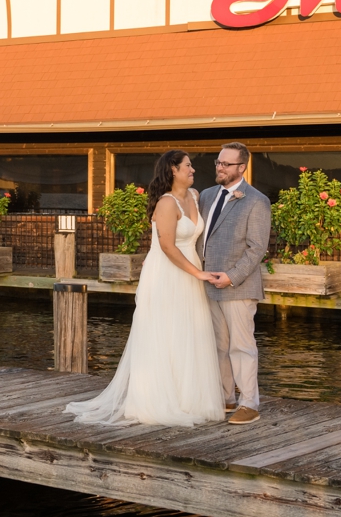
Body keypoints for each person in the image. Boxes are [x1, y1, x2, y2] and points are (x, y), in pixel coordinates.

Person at [64, 150, 226, 427]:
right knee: (163, 332)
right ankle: (157, 399)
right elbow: (166, 246)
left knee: (189, 331)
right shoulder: (166, 203)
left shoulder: (196, 196)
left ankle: (190, 399)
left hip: (191, 271)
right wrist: (198, 272)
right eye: (188, 166)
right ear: (173, 170)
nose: (193, 170)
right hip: (167, 272)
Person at [198, 142, 272, 425]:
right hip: (208, 284)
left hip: (238, 286)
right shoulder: (206, 195)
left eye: (226, 164)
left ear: (242, 167)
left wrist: (232, 276)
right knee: (218, 345)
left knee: (241, 346)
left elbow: (257, 248)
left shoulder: (256, 200)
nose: (220, 167)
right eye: (218, 162)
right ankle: (226, 398)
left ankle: (249, 403)